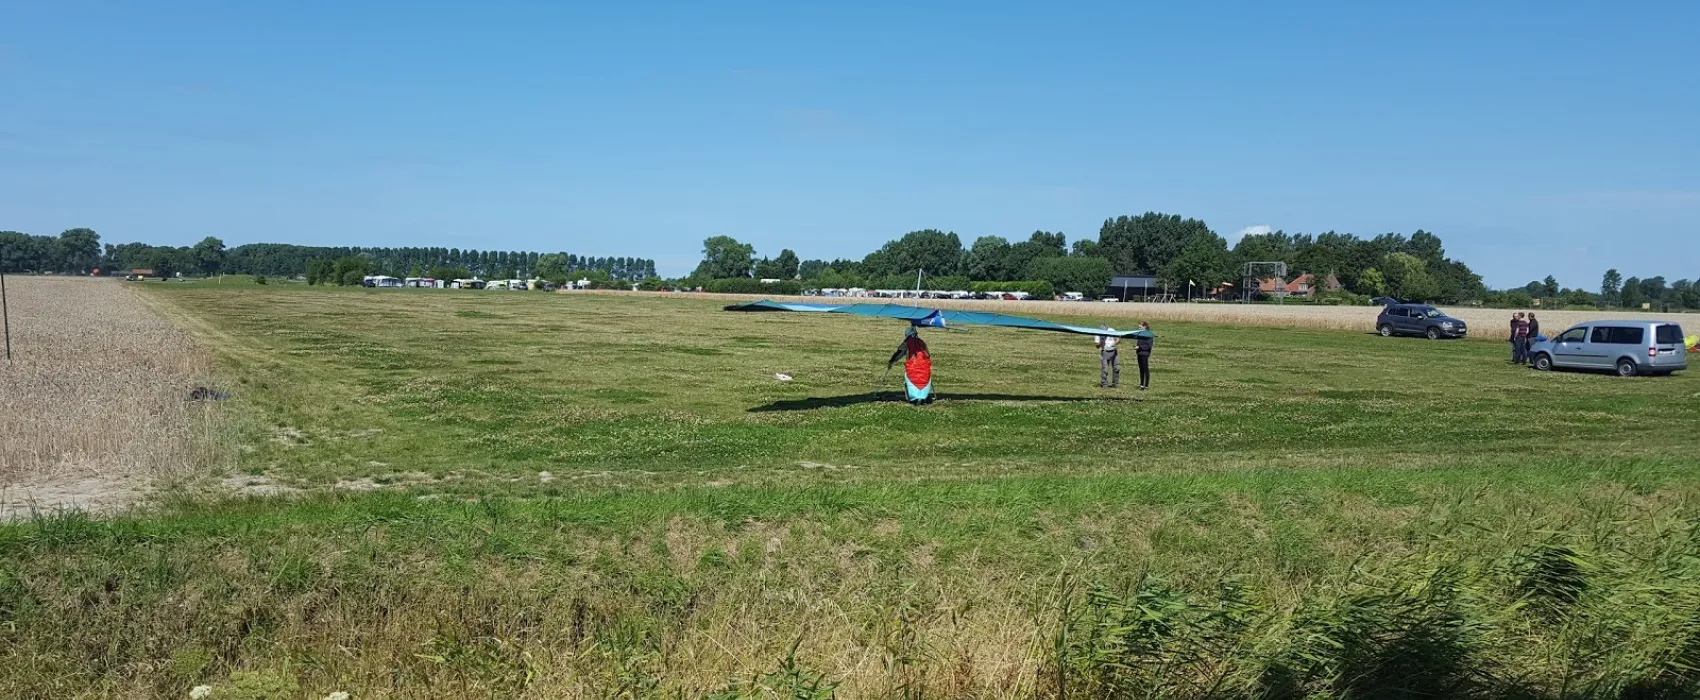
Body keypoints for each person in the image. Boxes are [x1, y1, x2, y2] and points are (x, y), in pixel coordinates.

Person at [888, 327, 933, 404]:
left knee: (911, 380)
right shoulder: (921, 342)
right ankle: (923, 397)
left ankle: (914, 398)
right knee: (923, 380)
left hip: (913, 369)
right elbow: (928, 355)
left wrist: (891, 361)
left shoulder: (907, 342)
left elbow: (899, 353)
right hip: (925, 369)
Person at [1135, 321, 1154, 390]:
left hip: (1145, 354)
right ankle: (1141, 384)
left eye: (1140, 327)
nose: (1139, 328)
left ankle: (1146, 385)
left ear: (1144, 327)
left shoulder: (1149, 335)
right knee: (1141, 369)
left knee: (1145, 369)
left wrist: (1139, 347)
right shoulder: (1140, 334)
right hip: (1139, 353)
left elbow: (1148, 346)